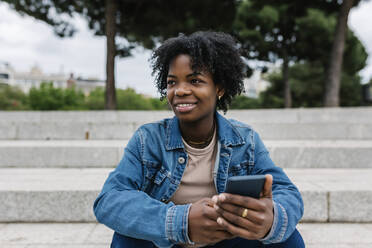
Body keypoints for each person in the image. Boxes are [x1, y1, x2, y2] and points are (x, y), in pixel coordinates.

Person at [94, 31, 304, 248]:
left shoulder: (245, 140)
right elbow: (110, 199)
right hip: (167, 243)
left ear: (219, 88)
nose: (180, 90)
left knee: (286, 237)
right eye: (172, 82)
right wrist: (181, 221)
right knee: (127, 236)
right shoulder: (148, 139)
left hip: (224, 241)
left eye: (195, 80)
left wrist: (271, 219)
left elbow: (287, 192)